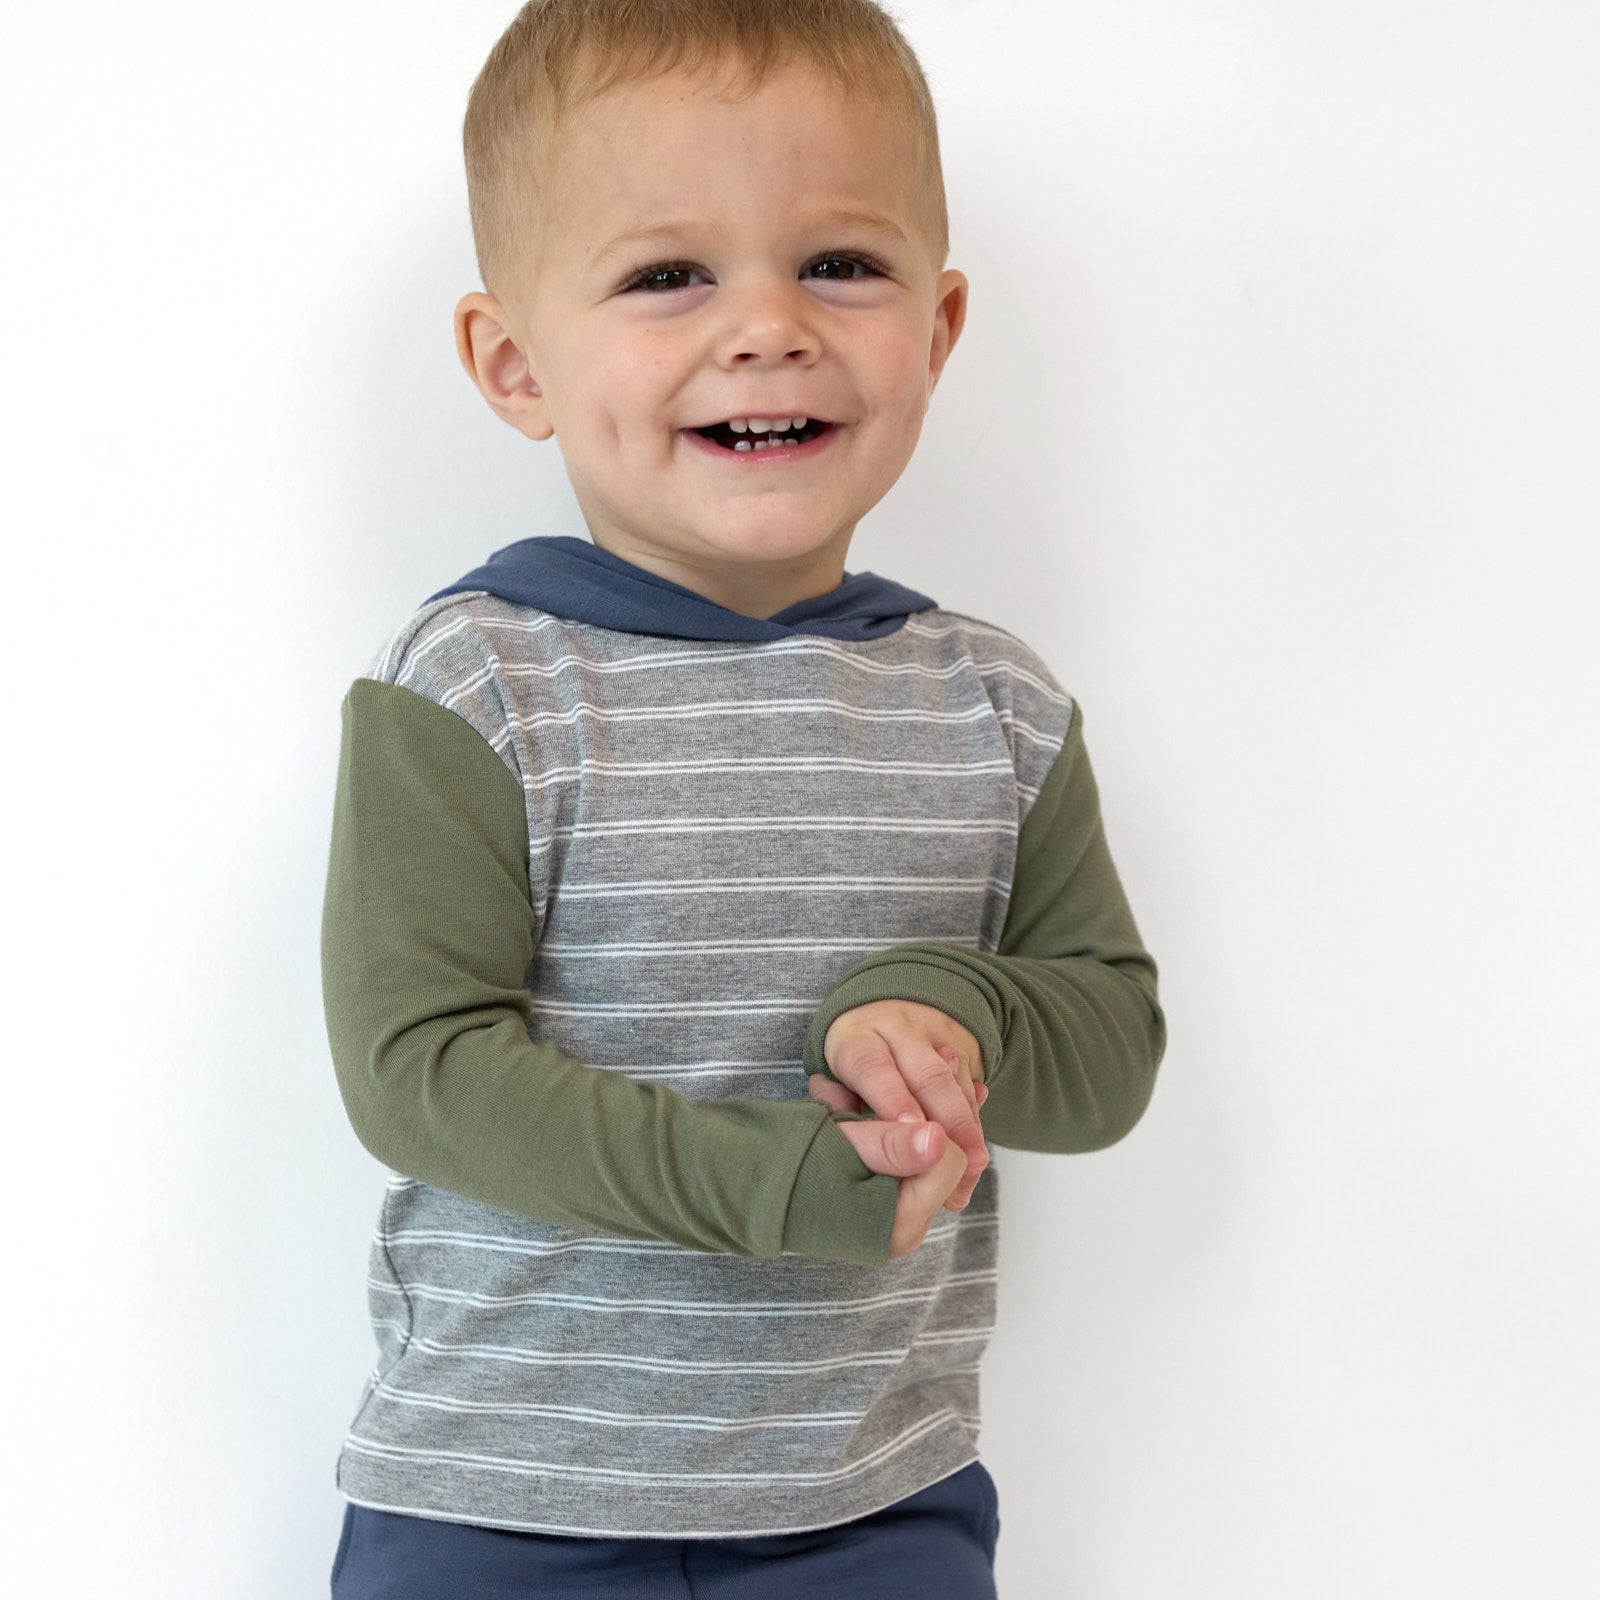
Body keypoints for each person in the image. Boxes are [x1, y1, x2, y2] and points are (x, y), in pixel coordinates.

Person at [320, 2, 1166, 1594]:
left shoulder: (999, 705)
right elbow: (416, 1068)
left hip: (874, 1507)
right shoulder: (473, 684)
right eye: (668, 276)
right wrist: (769, 1183)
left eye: (840, 264)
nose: (768, 325)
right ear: (516, 363)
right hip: (503, 1506)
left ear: (939, 324)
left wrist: (943, 1008)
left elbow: (1109, 1047)